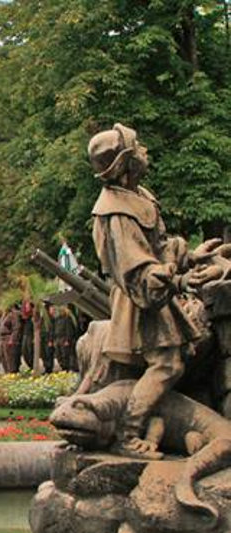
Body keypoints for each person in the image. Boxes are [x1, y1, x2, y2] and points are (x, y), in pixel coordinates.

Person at [88, 123, 207, 459]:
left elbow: (158, 246)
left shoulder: (138, 196)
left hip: (155, 293)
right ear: (127, 162)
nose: (144, 151)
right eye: (137, 147)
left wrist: (192, 255)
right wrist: (179, 281)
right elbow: (137, 269)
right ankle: (127, 435)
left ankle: (154, 426)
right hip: (140, 301)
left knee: (176, 361)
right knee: (167, 364)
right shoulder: (116, 212)